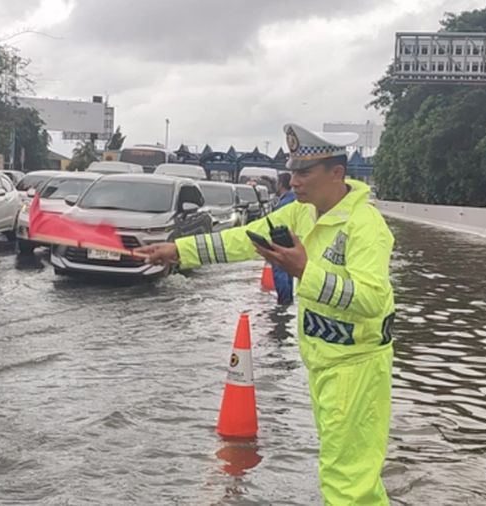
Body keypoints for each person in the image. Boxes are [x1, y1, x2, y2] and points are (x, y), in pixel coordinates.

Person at [138, 123, 396, 505]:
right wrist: (179, 251)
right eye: (292, 172)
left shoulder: (365, 227)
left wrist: (305, 272)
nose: (295, 181)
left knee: (348, 482)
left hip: (355, 367)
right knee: (350, 475)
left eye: (305, 172)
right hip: (327, 364)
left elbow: (373, 299)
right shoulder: (302, 215)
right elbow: (243, 239)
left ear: (337, 174)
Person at [271, 172, 296, 305]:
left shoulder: (284, 203)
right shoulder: (294, 199)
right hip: (292, 242)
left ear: (280, 184)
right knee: (288, 272)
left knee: (280, 271)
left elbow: (276, 223)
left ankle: (284, 301)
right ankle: (288, 299)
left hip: (281, 242)